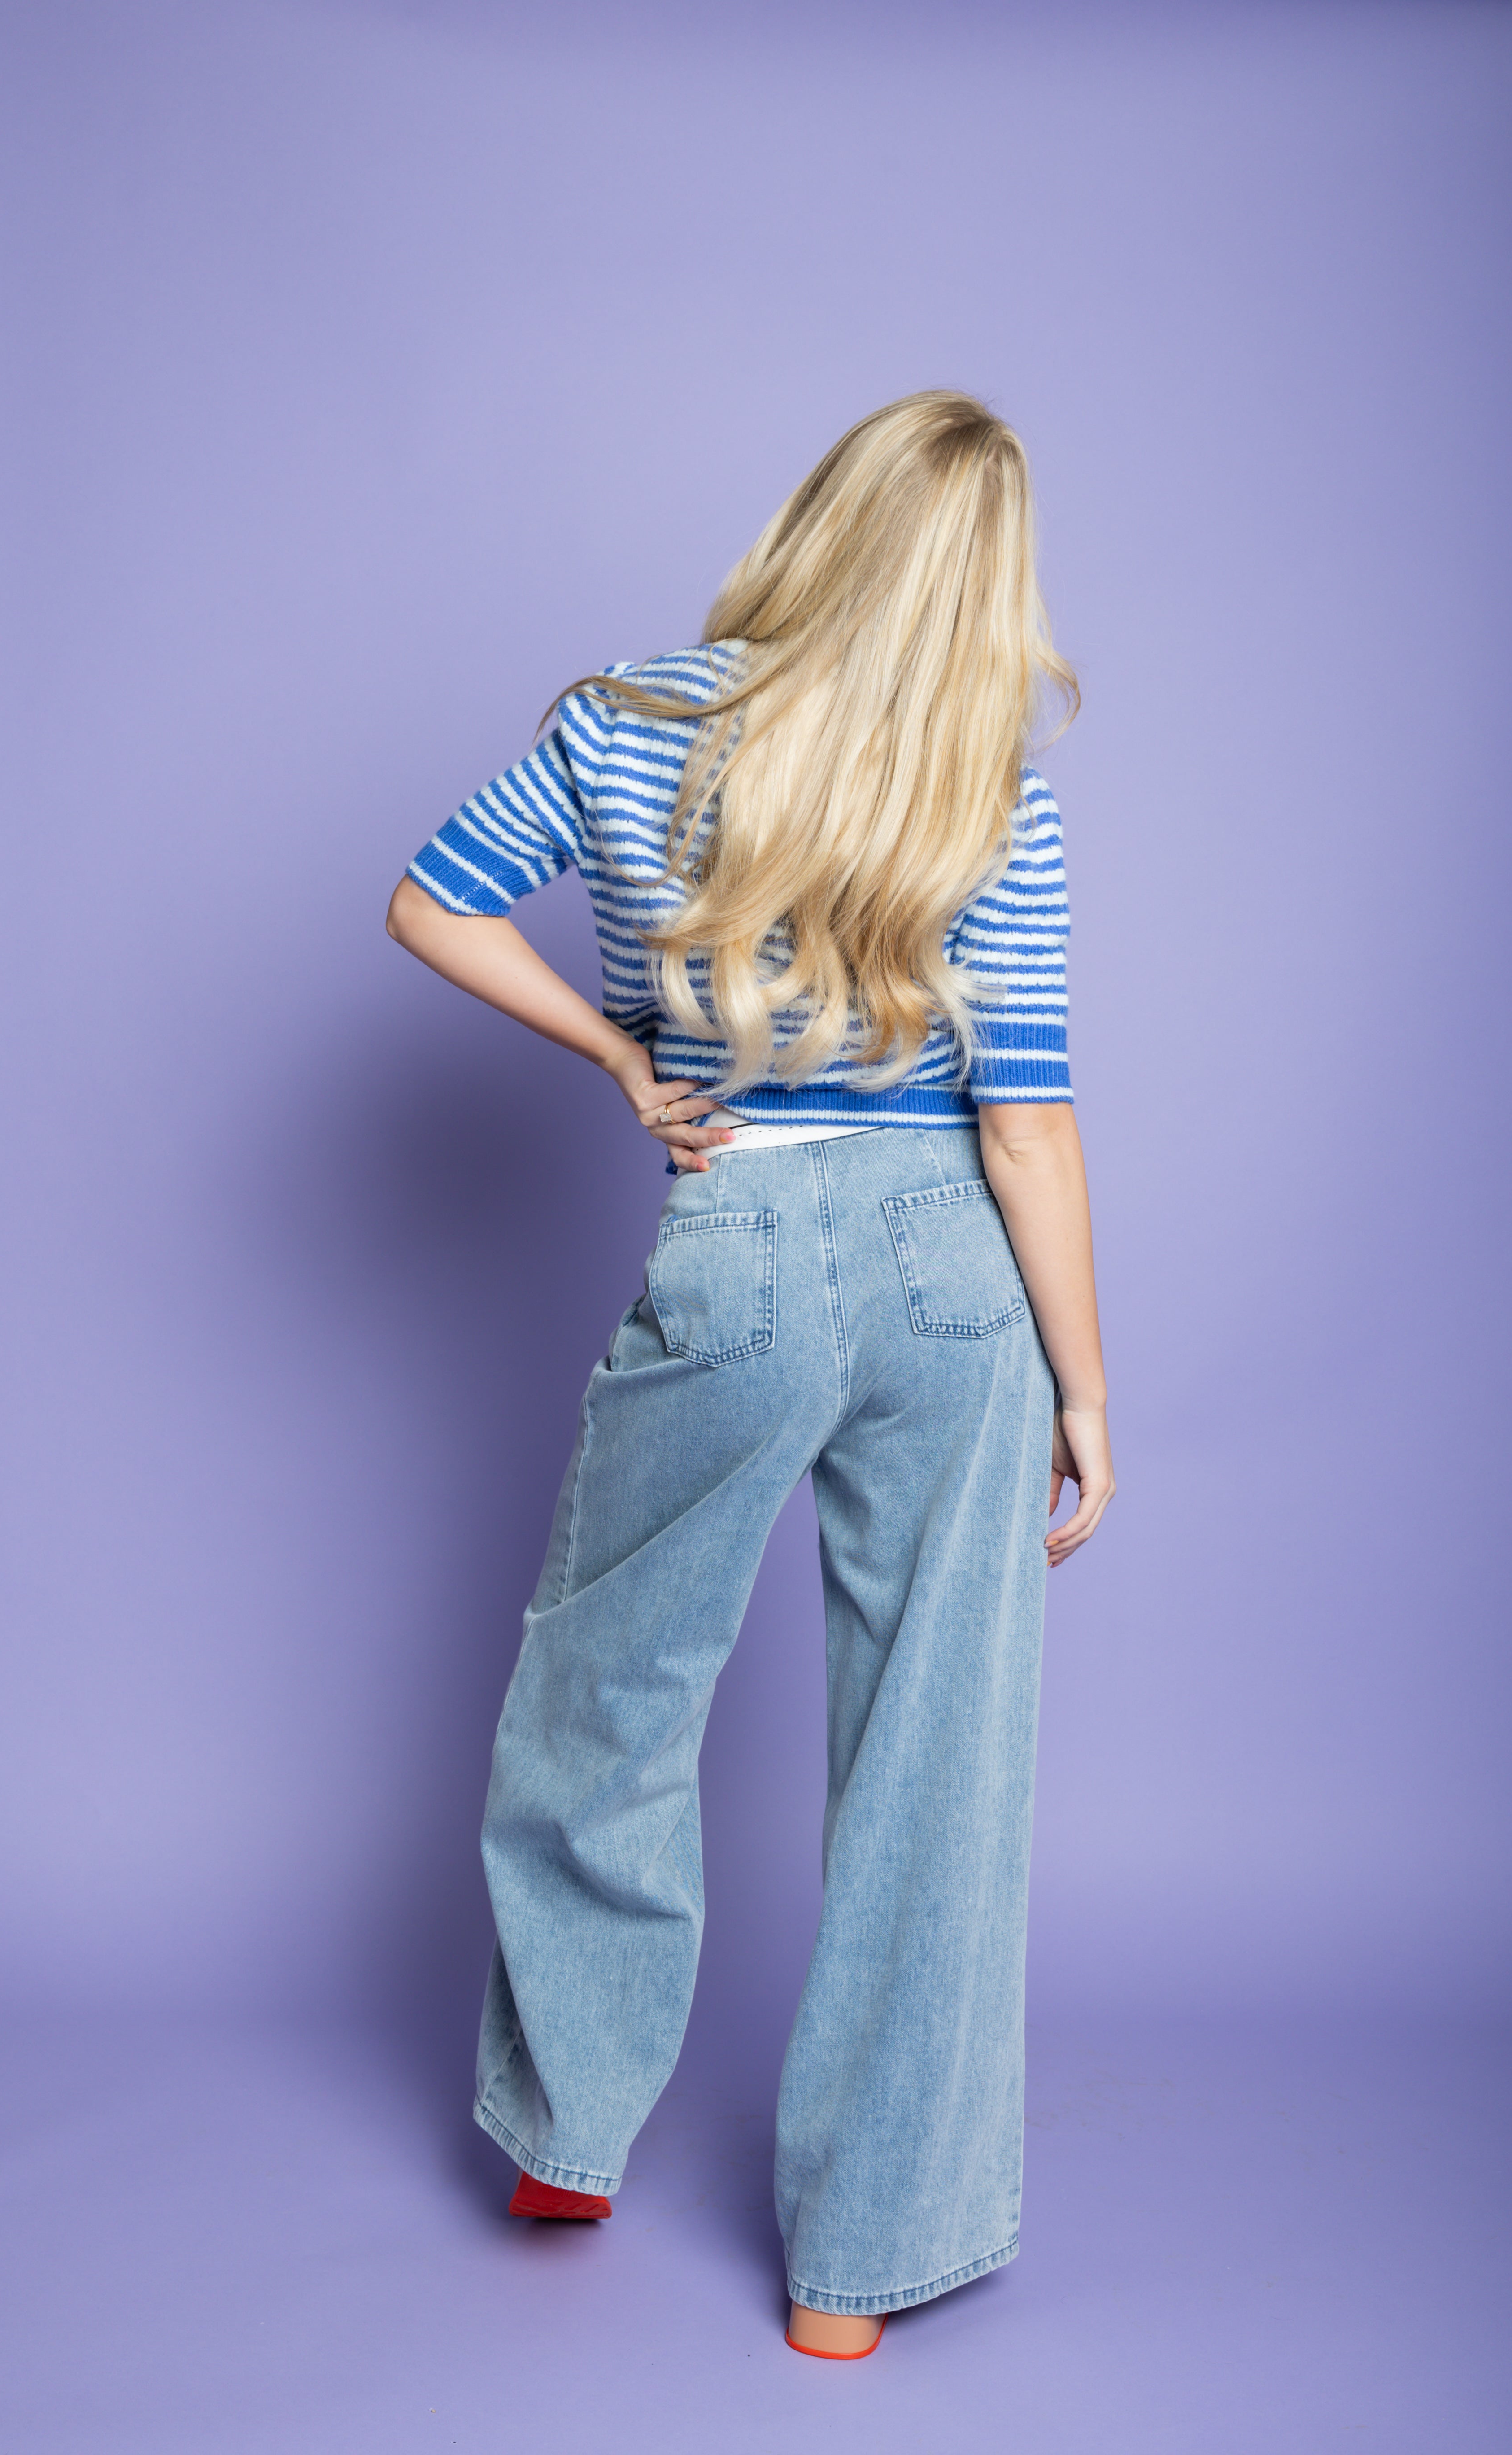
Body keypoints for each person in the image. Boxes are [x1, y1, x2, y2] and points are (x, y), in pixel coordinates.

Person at [386, 390, 1115, 2360]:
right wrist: (1087, 1387)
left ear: (826, 519)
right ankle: (855, 2277)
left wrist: (624, 1062)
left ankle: (568, 2126)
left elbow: (432, 900)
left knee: (607, 1682)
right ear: (990, 584)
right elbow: (1028, 1127)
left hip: (747, 1238)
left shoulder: (630, 717)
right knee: (938, 1761)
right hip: (956, 1267)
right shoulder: (995, 791)